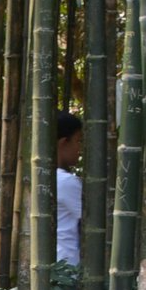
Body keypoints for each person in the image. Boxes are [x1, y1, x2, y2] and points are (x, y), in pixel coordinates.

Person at [56, 110, 82, 266]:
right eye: (78, 141)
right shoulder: (66, 182)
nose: (80, 149)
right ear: (63, 143)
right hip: (66, 269)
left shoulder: (38, 177)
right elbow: (94, 219)